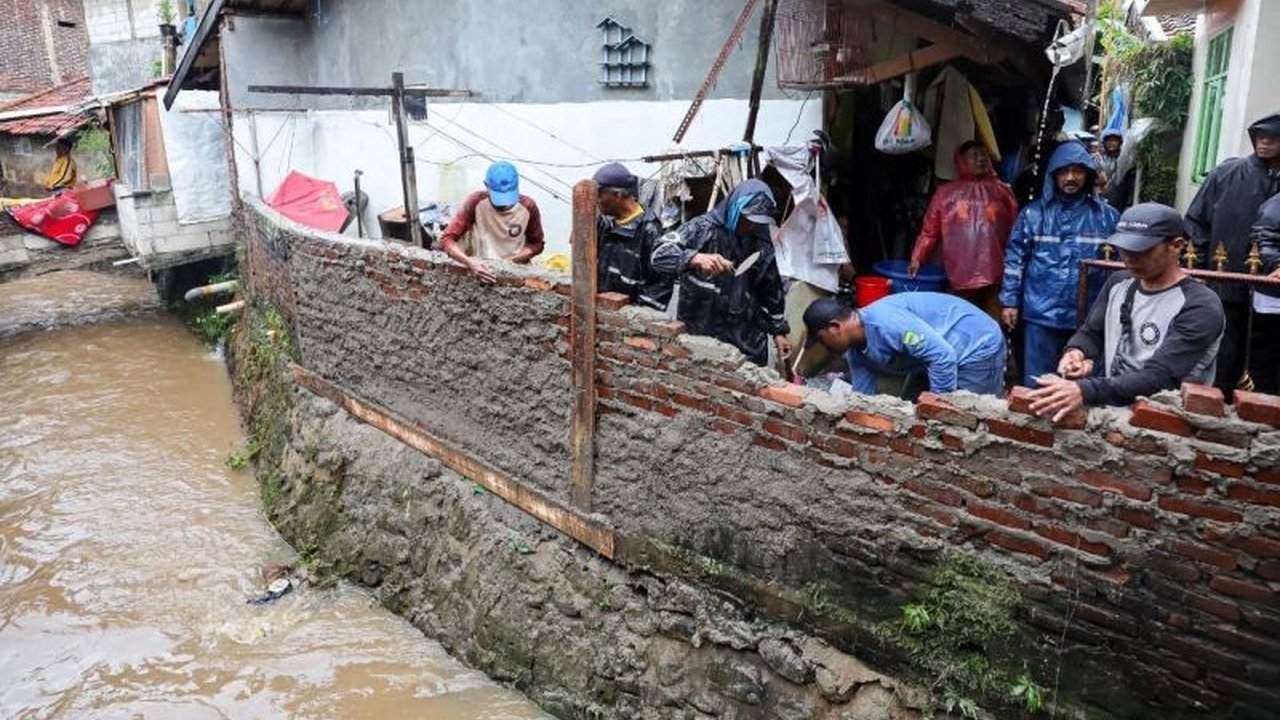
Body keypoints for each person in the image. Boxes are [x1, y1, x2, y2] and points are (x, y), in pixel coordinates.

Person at [1028, 203, 1225, 420]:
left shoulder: (1200, 306)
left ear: (1176, 246)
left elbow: (1160, 376)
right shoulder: (1119, 283)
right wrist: (1077, 352)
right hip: (1117, 413)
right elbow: (1092, 332)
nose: (1129, 258)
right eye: (1124, 248)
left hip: (1167, 422)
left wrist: (1086, 390)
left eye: (1142, 250)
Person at [999, 141, 1120, 387]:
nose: (1071, 177)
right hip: (1041, 314)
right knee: (1037, 380)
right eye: (1064, 171)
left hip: (1088, 316)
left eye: (1078, 171)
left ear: (1088, 174)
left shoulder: (1107, 217)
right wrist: (1010, 301)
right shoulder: (1033, 215)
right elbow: (1015, 259)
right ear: (1053, 176)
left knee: (1082, 380)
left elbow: (1119, 266)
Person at [1186, 112, 1280, 396]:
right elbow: (1196, 223)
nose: (1264, 142)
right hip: (1224, 282)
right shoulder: (1226, 174)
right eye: (1259, 136)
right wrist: (1199, 270)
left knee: (1266, 364)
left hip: (1273, 292)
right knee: (1223, 358)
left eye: (1273, 137)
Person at [651, 179, 789, 367]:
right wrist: (694, 258)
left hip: (746, 346)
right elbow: (658, 255)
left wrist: (779, 332)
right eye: (746, 218)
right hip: (700, 342)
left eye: (757, 222)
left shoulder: (761, 241)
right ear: (734, 208)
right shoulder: (701, 229)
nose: (751, 226)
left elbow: (771, 290)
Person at [803, 294, 1006, 397]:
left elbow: (942, 357)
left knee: (968, 420)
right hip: (932, 354)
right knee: (910, 411)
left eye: (821, 340)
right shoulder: (856, 353)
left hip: (975, 342)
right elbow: (863, 398)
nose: (824, 347)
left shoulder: (886, 324)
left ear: (835, 327)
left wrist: (939, 413)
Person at [908, 141, 1019, 318]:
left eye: (984, 155)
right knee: (961, 320)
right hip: (960, 274)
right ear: (962, 161)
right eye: (974, 155)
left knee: (994, 323)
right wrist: (917, 258)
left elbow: (1017, 231)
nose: (981, 159)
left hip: (996, 272)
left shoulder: (1003, 191)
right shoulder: (946, 193)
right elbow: (930, 231)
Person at [439, 161, 544, 284]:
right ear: (486, 186)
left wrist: (512, 260)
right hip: (484, 269)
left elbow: (537, 244)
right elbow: (446, 239)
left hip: (516, 271)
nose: (504, 204)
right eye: (499, 197)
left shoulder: (528, 207)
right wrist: (469, 261)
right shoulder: (476, 202)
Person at [592, 163, 670, 310]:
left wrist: (634, 322)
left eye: (599, 195)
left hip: (626, 324)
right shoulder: (603, 223)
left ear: (617, 195)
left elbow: (658, 288)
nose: (596, 201)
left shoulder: (649, 231)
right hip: (599, 315)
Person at [1252, 193, 1280, 394]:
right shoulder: (1276, 204)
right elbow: (1263, 238)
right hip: (1273, 301)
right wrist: (1277, 263)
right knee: (1267, 362)